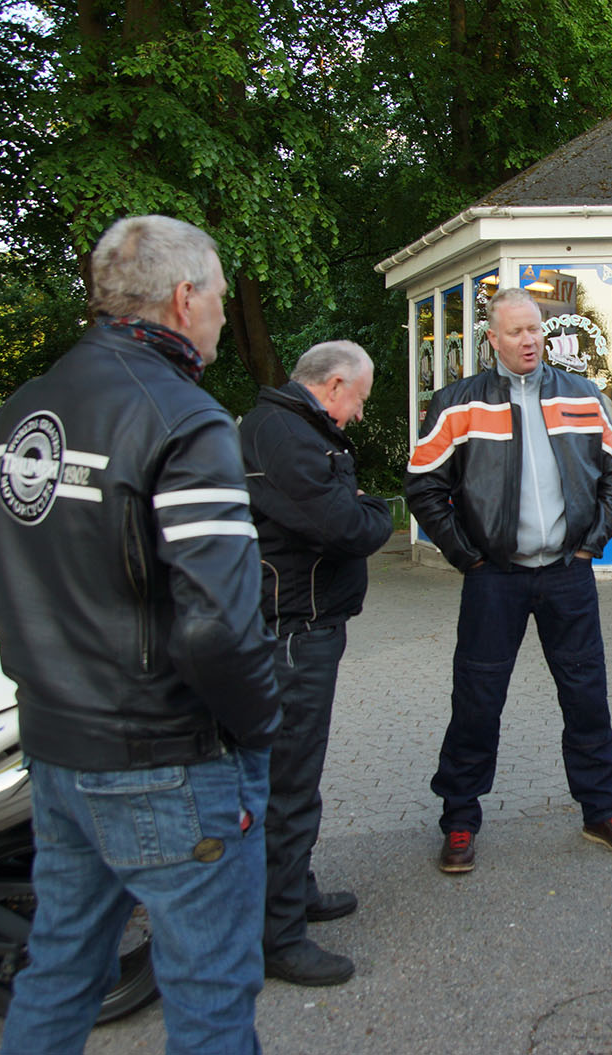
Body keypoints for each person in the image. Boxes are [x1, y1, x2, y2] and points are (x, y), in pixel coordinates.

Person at [0, 215, 281, 1054]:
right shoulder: (185, 418)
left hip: (57, 750)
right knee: (210, 997)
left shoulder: (23, 409)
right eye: (219, 296)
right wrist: (261, 722)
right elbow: (217, 626)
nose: (222, 314)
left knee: (59, 969)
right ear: (184, 298)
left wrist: (61, 680)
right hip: (168, 756)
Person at [405, 287, 612, 873]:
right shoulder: (457, 404)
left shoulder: (582, 394)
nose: (529, 340)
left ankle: (603, 810)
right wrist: (467, 556)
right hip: (494, 578)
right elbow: (424, 484)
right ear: (493, 339)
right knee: (477, 700)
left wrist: (591, 543)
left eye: (535, 328)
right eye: (515, 331)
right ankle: (459, 819)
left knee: (587, 697)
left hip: (567, 573)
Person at [239, 340, 393, 987]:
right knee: (289, 780)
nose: (358, 414)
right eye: (359, 399)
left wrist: (354, 502)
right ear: (333, 385)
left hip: (306, 624)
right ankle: (278, 936)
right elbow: (344, 525)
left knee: (295, 775)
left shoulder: (294, 429)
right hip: (293, 632)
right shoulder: (284, 433)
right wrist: (373, 508)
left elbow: (337, 513)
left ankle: (293, 889)